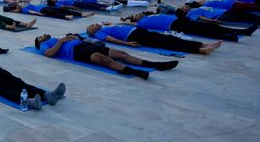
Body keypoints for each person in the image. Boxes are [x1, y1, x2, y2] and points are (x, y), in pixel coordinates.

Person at [34, 34, 179, 80]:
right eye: (40, 36)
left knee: (121, 54)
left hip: (83, 44)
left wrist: (73, 37)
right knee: (103, 60)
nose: (44, 35)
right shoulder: (43, 45)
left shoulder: (53, 37)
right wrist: (62, 41)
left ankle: (155, 64)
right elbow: (50, 54)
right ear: (39, 41)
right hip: (76, 52)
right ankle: (135, 72)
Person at [85, 23, 222, 55]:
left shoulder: (104, 27)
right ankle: (199, 49)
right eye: (92, 26)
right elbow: (111, 39)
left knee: (167, 38)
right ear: (92, 32)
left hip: (138, 31)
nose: (94, 24)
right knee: (167, 43)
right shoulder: (99, 34)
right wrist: (127, 43)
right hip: (134, 36)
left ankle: (202, 45)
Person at [121, 12, 256, 42]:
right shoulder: (141, 23)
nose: (139, 13)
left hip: (179, 20)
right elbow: (128, 24)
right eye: (136, 14)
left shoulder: (149, 16)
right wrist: (127, 19)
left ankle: (241, 31)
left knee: (208, 26)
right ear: (136, 19)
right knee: (204, 31)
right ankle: (230, 37)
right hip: (174, 25)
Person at [3, 2, 94, 20]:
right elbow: (31, 12)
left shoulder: (23, 4)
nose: (18, 4)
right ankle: (65, 17)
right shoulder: (23, 9)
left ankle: (81, 14)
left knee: (62, 9)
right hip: (42, 9)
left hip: (42, 6)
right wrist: (38, 13)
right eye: (15, 5)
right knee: (54, 13)